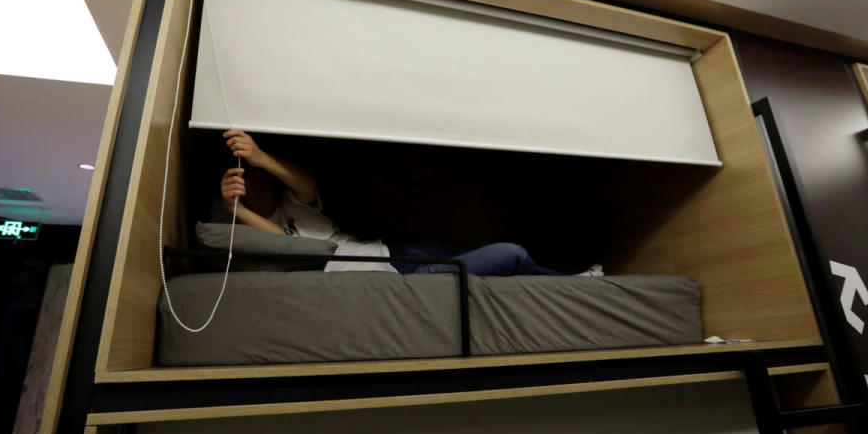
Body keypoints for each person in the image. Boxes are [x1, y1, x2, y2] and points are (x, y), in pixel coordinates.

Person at [218, 129, 603, 276]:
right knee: (510, 255)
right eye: (250, 177)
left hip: (398, 250)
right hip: (398, 276)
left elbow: (307, 184)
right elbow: (297, 250)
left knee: (499, 257)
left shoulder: (292, 202)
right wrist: (239, 211)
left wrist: (261, 157)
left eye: (259, 173)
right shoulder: (256, 233)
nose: (257, 178)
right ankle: (580, 286)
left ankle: (568, 276)